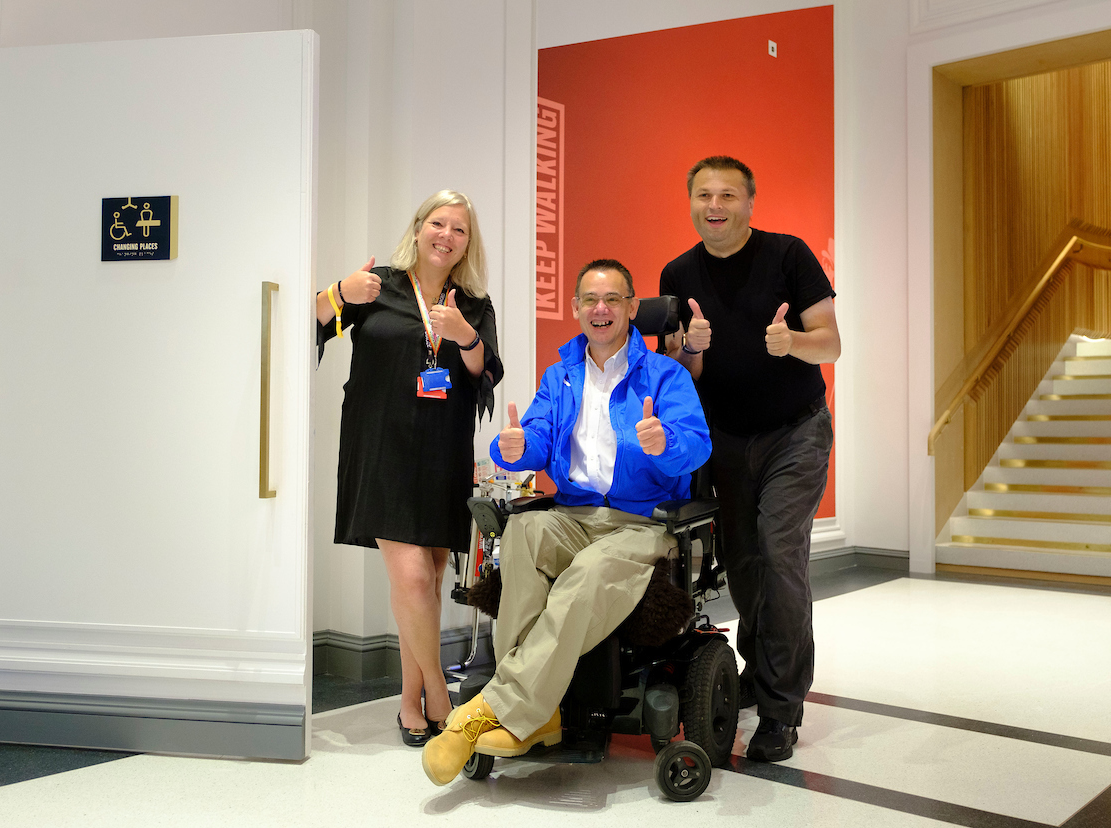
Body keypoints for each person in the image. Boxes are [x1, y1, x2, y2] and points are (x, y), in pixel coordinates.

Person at [421, 259, 711, 786]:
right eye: (590, 300)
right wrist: (514, 448)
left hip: (640, 523)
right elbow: (531, 436)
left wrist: (664, 443)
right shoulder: (560, 377)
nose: (601, 309)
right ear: (576, 309)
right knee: (524, 531)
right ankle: (542, 714)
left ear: (630, 308)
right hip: (573, 514)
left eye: (613, 300)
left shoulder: (664, 375)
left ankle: (501, 711)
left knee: (590, 571)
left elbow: (697, 445)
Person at [658, 156, 840, 762]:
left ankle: (782, 709)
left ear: (750, 203)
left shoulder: (789, 255)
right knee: (744, 564)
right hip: (725, 440)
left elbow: (831, 342)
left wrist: (793, 343)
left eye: (728, 195)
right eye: (704, 194)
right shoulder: (677, 272)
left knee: (778, 547)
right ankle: (759, 675)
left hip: (796, 432)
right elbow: (679, 375)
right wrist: (691, 351)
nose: (715, 205)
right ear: (690, 202)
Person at [316, 190, 503, 747]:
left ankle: (407, 703)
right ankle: (443, 704)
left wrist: (463, 334)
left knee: (426, 581)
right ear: (419, 228)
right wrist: (337, 293)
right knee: (415, 579)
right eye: (438, 224)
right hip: (381, 449)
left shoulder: (474, 302)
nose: (447, 236)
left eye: (460, 230)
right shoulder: (376, 286)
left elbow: (483, 370)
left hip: (442, 451)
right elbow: (308, 321)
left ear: (469, 243)